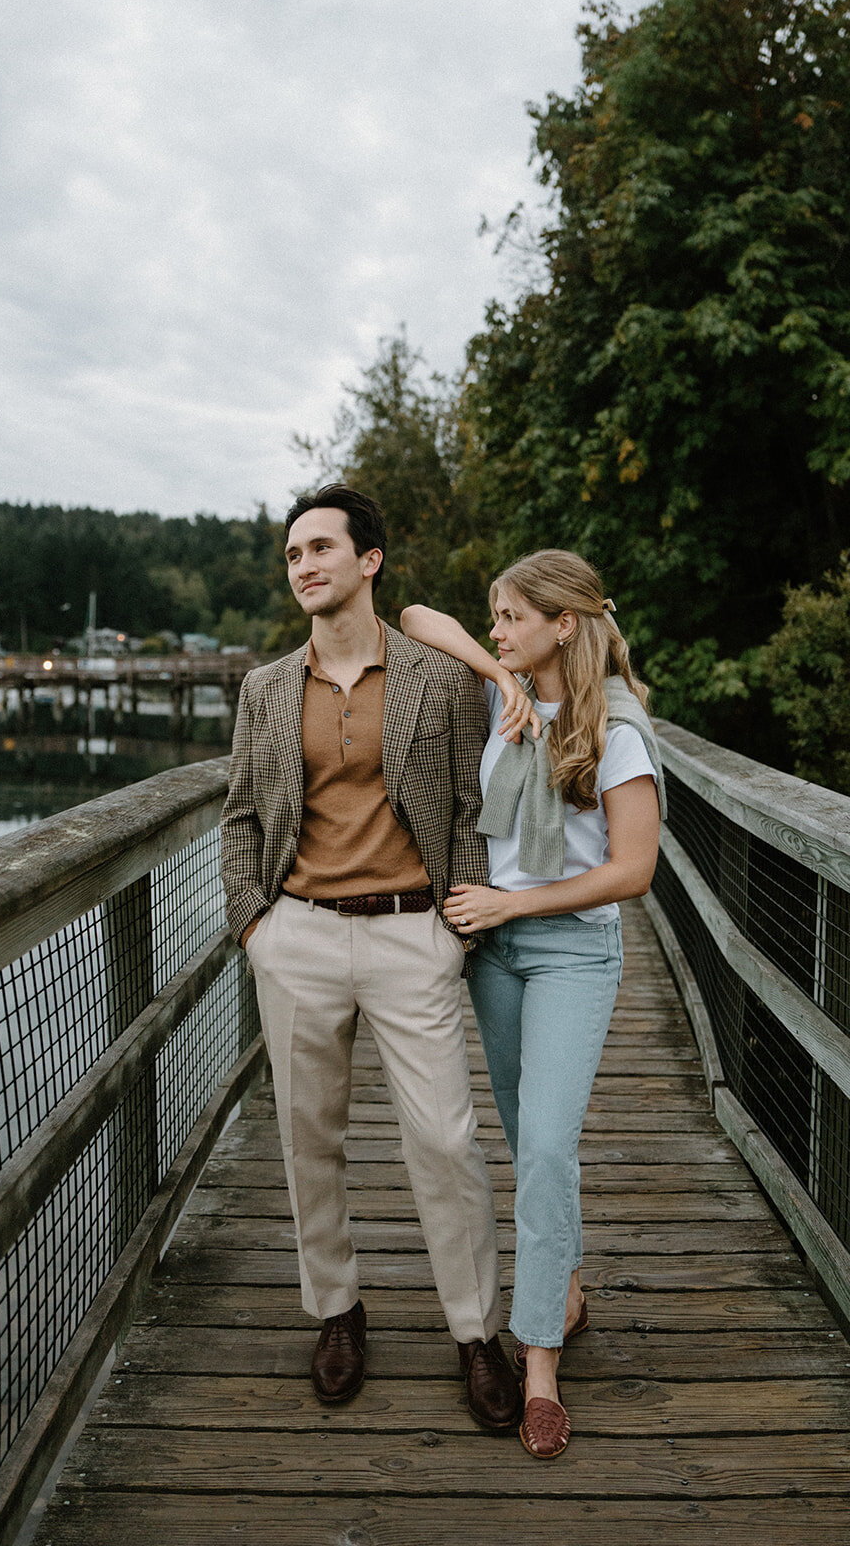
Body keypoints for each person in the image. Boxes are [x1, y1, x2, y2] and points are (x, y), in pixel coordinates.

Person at [220, 484, 522, 1430]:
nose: (303, 565)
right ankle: (336, 1311)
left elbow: (471, 811)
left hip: (409, 935)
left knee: (444, 1140)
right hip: (298, 934)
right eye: (291, 554)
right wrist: (253, 927)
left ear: (368, 561)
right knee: (310, 1141)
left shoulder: (434, 676)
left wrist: (454, 928)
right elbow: (237, 816)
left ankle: (476, 1333)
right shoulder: (266, 689)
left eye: (319, 548)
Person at [401, 550, 663, 1459]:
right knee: (528, 1142)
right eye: (495, 617)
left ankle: (540, 1361)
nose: (499, 630)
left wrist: (513, 902)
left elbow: (631, 869)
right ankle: (568, 1286)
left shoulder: (618, 725)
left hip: (569, 952)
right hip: (492, 953)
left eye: (511, 618)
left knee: (547, 1146)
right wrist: (491, 673)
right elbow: (413, 616)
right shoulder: (497, 697)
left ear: (561, 624)